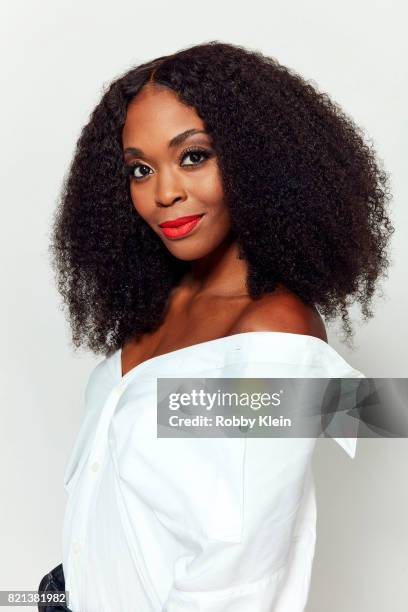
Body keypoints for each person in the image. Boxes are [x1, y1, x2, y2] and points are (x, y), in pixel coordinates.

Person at [45, 41, 393, 611]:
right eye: (140, 168)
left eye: (193, 156)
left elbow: (239, 572)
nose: (164, 192)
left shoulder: (272, 334)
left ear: (258, 160)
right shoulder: (152, 314)